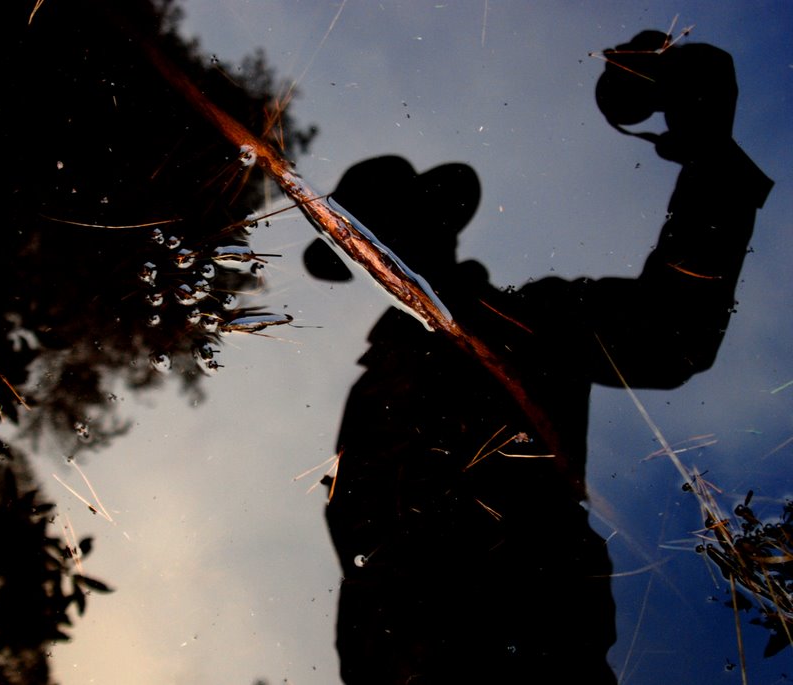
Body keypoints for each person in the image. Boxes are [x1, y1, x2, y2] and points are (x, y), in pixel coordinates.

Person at [304, 32, 773, 684]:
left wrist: (708, 150)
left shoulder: (537, 320)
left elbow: (672, 334)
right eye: (369, 229)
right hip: (408, 656)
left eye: (397, 217)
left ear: (439, 220)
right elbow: (357, 522)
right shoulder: (380, 376)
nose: (390, 238)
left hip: (539, 645)